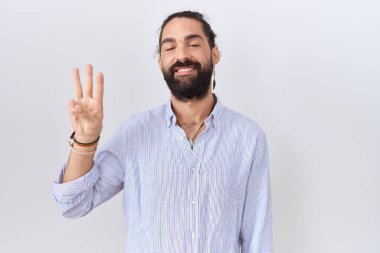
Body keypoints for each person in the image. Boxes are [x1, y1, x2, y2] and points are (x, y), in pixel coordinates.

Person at [52, 10, 273, 253]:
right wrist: (85, 140)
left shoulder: (249, 138)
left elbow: (257, 239)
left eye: (193, 43)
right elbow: (72, 204)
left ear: (215, 53)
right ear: (161, 64)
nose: (181, 55)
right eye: (169, 48)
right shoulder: (133, 134)